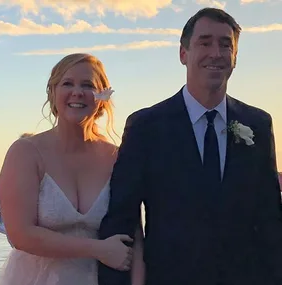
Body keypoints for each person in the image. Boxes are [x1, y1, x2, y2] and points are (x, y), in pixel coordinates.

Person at [98, 7, 282, 285]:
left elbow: (269, 219)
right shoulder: (146, 126)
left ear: (235, 57)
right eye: (205, 42)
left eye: (225, 45)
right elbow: (121, 221)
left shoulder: (257, 123)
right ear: (183, 54)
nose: (216, 53)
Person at [0, 53, 144, 285]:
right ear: (53, 93)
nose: (77, 92)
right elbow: (20, 234)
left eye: (88, 85)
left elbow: (134, 237)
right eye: (67, 83)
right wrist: (98, 249)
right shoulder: (25, 153)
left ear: (102, 96)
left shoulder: (118, 157)